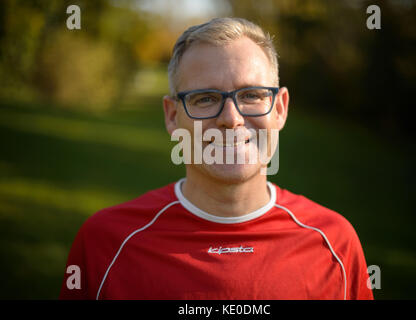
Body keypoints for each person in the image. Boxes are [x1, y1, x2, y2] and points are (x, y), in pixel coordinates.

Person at [59, 17, 373, 300]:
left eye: (251, 95)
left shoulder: (335, 244)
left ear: (280, 109)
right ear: (172, 116)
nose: (231, 119)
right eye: (205, 98)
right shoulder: (105, 243)